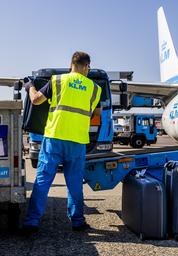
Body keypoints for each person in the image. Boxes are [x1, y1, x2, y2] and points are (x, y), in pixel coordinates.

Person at [22, 51, 102, 235]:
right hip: (77, 141)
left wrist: (30, 86)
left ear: (72, 64)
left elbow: (35, 100)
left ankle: (32, 222)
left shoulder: (57, 81)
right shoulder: (94, 88)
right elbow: (96, 115)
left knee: (43, 181)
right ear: (86, 66)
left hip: (54, 139)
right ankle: (77, 222)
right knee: (74, 184)